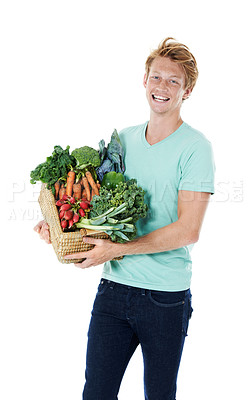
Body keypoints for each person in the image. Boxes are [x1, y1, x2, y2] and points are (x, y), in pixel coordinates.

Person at [34, 37, 215, 400]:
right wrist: (59, 226)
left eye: (173, 81)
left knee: (159, 396)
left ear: (188, 90)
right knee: (96, 394)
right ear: (144, 80)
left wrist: (117, 249)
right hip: (114, 291)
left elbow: (188, 229)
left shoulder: (196, 148)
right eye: (156, 77)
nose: (161, 87)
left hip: (165, 297)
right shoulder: (124, 141)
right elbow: (95, 208)